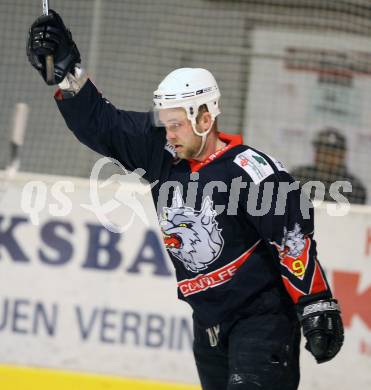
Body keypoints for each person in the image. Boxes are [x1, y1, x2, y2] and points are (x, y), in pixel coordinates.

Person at [27, 10, 344, 390]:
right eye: (165, 121)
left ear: (205, 118)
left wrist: (316, 304)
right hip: (208, 325)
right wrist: (67, 74)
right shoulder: (161, 151)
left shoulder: (252, 170)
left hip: (262, 323)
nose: (168, 132)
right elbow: (103, 124)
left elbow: (291, 240)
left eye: (176, 123)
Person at [292, 128, 367, 204]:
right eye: (322, 151)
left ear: (342, 155)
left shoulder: (355, 188)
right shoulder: (298, 177)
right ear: (316, 154)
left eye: (332, 153)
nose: (326, 158)